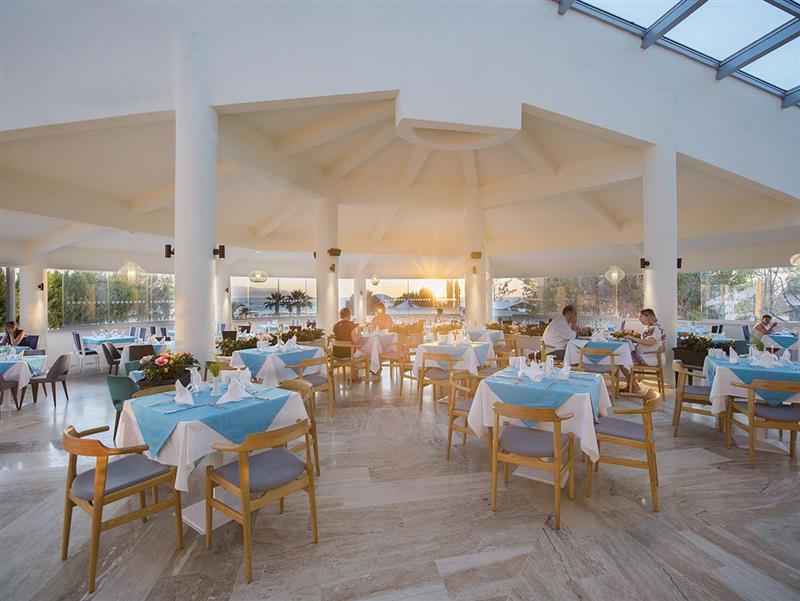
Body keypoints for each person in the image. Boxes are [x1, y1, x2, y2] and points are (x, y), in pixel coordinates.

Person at [622, 308, 663, 398]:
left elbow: (650, 342)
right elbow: (644, 341)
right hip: (646, 355)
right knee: (623, 359)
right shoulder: (649, 328)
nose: (639, 318)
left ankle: (633, 386)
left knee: (622, 361)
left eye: (641, 316)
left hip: (649, 358)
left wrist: (632, 338)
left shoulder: (655, 329)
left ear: (648, 316)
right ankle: (633, 385)